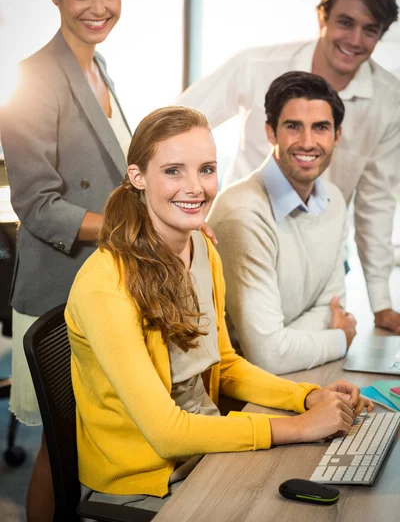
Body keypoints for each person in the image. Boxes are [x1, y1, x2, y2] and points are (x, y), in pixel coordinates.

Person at [65, 105, 372, 512]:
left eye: (206, 170)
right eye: (174, 170)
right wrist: (297, 426)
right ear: (138, 177)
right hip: (148, 483)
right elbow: (166, 433)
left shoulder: (202, 249)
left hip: (208, 450)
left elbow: (224, 363)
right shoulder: (105, 285)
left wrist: (308, 397)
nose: (196, 187)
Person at [178, 0, 400, 333]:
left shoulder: (389, 102)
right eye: (345, 22)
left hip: (321, 253)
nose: (355, 39)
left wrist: (382, 302)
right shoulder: (255, 65)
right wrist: (191, 203)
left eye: (370, 30)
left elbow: (376, 202)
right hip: (245, 237)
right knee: (245, 345)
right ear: (322, 17)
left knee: (317, 354)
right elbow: (179, 126)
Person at [0, 0, 128, 522]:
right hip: (58, 294)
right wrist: (133, 231)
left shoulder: (99, 66)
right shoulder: (33, 79)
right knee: (58, 451)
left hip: (98, 287)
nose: (97, 6)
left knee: (86, 443)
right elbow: (37, 204)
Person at [208, 71, 356, 374]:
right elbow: (267, 356)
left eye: (320, 128)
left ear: (336, 136)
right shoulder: (243, 213)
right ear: (270, 133)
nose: (307, 142)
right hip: (236, 394)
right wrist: (339, 339)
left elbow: (332, 308)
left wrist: (286, 340)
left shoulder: (335, 201)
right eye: (293, 127)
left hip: (299, 374)